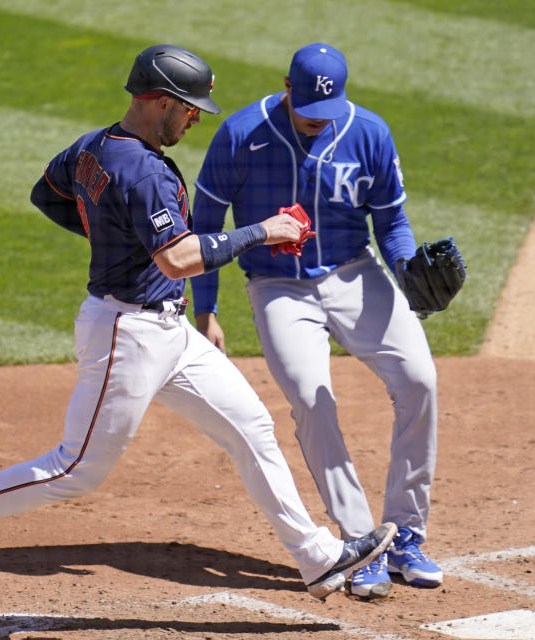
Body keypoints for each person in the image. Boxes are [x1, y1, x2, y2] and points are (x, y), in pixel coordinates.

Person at [0, 43, 395, 607]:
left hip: (170, 332)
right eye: (189, 108)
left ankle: (318, 558)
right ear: (161, 101)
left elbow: (49, 195)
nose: (194, 118)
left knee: (251, 426)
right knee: (76, 468)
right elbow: (178, 260)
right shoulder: (145, 171)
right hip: (127, 333)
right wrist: (262, 231)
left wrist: (115, 237)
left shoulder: (93, 146)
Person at [189, 43, 443, 599]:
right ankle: (361, 543)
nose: (315, 124)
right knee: (311, 398)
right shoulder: (240, 134)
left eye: (325, 115)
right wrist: (204, 311)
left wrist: (407, 272)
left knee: (420, 380)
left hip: (355, 272)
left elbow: (391, 222)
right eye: (306, 111)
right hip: (277, 284)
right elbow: (203, 224)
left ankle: (407, 534)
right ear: (286, 87)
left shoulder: (369, 132)